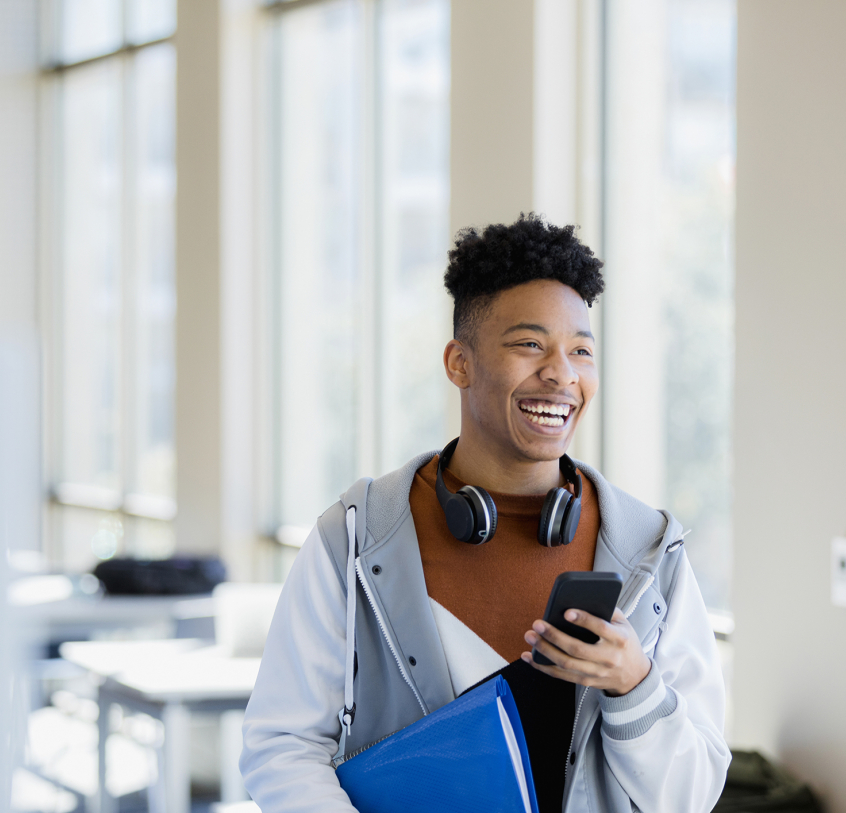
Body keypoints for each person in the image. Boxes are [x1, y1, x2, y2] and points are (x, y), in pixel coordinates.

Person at [240, 214, 730, 813]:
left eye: (581, 350)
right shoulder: (358, 537)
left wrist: (635, 686)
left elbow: (693, 795)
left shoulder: (650, 552)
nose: (561, 373)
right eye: (530, 344)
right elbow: (283, 744)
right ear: (459, 364)